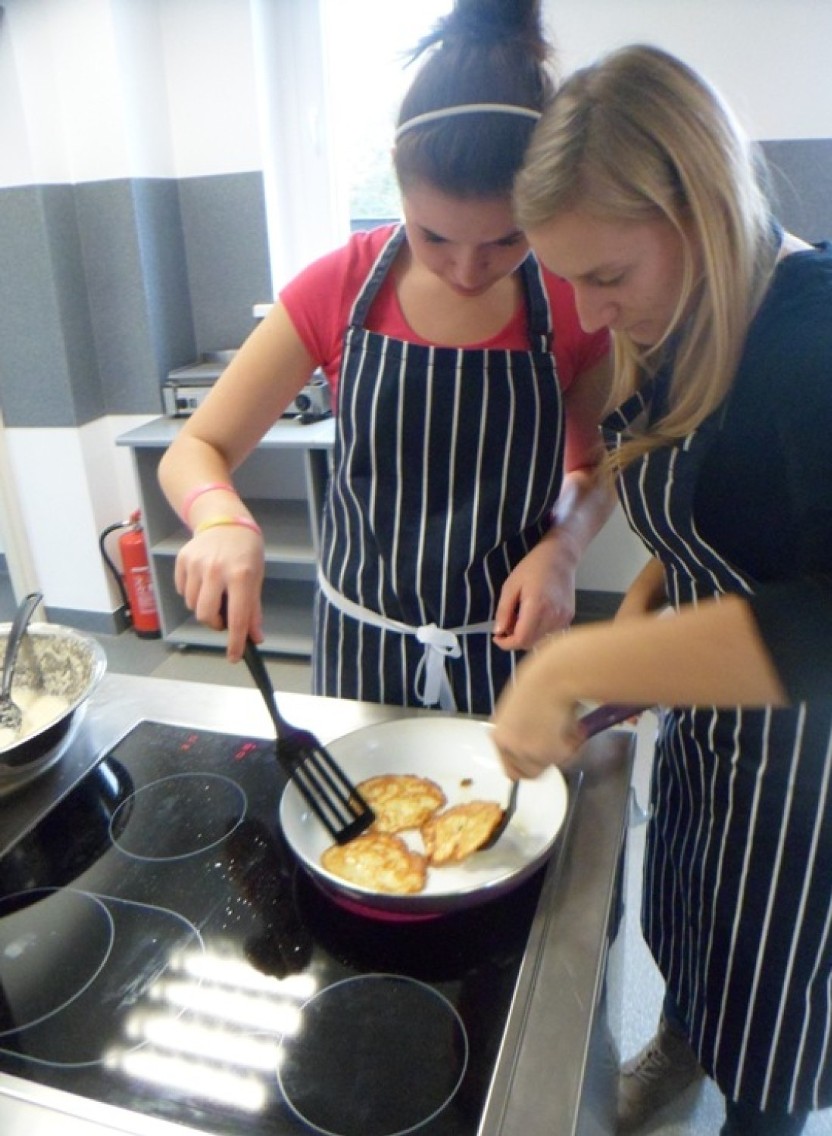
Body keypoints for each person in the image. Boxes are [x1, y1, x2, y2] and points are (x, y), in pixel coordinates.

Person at [491, 42, 832, 1136]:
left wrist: (584, 660)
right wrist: (625, 608)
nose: (594, 319)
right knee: (698, 923)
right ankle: (687, 1040)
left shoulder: (820, 344)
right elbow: (708, 526)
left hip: (815, 778)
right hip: (711, 738)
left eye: (610, 277)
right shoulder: (682, 319)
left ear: (698, 207)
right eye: (573, 282)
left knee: (778, 1009)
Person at [157, 0, 613, 716]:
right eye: (434, 237)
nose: (467, 270)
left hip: (509, 651)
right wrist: (221, 522)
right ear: (396, 188)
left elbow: (593, 467)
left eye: (505, 241)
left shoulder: (572, 303)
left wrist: (564, 550)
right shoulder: (336, 288)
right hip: (357, 648)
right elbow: (197, 447)